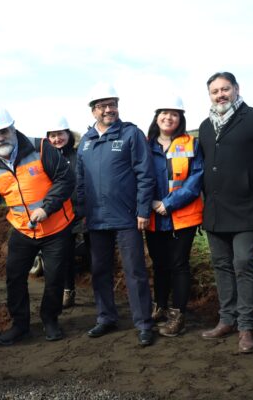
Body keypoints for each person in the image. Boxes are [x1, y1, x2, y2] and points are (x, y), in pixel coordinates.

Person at [0, 108, 75, 346]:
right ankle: (20, 325)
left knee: (54, 278)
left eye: (3, 131)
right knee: (14, 277)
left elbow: (66, 178)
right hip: (23, 230)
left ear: (13, 128)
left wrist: (47, 208)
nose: (0, 138)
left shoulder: (41, 148)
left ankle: (50, 319)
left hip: (56, 228)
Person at [198, 72, 253, 353]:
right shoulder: (206, 126)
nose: (220, 95)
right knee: (222, 266)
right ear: (210, 95)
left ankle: (246, 327)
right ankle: (227, 320)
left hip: (245, 209)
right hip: (214, 210)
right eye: (215, 91)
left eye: (225, 89)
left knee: (244, 264)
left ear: (236, 89)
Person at [77, 82, 156, 346]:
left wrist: (143, 210)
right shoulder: (85, 142)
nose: (109, 110)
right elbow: (80, 181)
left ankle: (144, 323)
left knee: (134, 272)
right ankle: (105, 317)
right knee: (100, 270)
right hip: (96, 219)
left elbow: (145, 174)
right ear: (93, 111)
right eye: (102, 106)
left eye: (112, 104)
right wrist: (81, 212)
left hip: (127, 217)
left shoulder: (131, 134)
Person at [145, 94, 204, 337]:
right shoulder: (146, 145)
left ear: (180, 118)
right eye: (164, 113)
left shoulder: (191, 144)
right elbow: (138, 177)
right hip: (153, 218)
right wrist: (148, 203)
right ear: (157, 117)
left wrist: (168, 204)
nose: (169, 117)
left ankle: (178, 314)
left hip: (183, 217)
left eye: (174, 114)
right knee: (159, 265)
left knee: (179, 265)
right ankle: (159, 306)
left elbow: (195, 179)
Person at [46, 117, 85, 308]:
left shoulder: (80, 154)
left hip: (84, 211)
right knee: (65, 255)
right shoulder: (47, 158)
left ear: (68, 134)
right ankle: (68, 290)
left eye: (60, 134)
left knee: (96, 253)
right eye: (52, 136)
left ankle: (103, 294)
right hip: (61, 212)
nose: (56, 139)